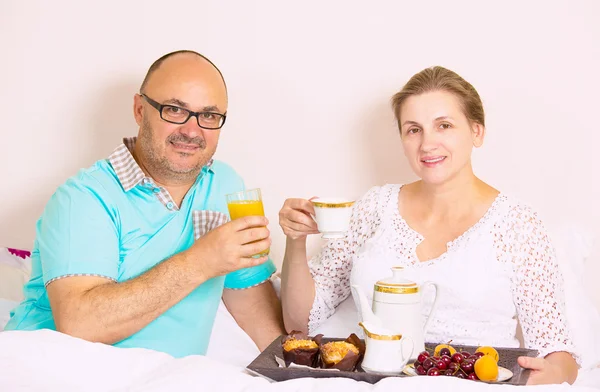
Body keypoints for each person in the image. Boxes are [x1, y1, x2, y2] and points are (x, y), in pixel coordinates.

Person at [278, 66, 579, 385]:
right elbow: (301, 323)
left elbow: (558, 353)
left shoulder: (517, 223)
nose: (427, 144)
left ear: (477, 132)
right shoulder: (374, 207)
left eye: (444, 125)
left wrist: (547, 375)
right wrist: (294, 240)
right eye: (413, 129)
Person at [5, 50, 285, 357]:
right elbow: (80, 325)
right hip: (53, 368)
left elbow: (251, 304)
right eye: (175, 110)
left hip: (166, 378)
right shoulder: (83, 198)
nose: (192, 131)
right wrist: (202, 261)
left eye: (209, 116)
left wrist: (293, 371)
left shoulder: (226, 185)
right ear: (140, 110)